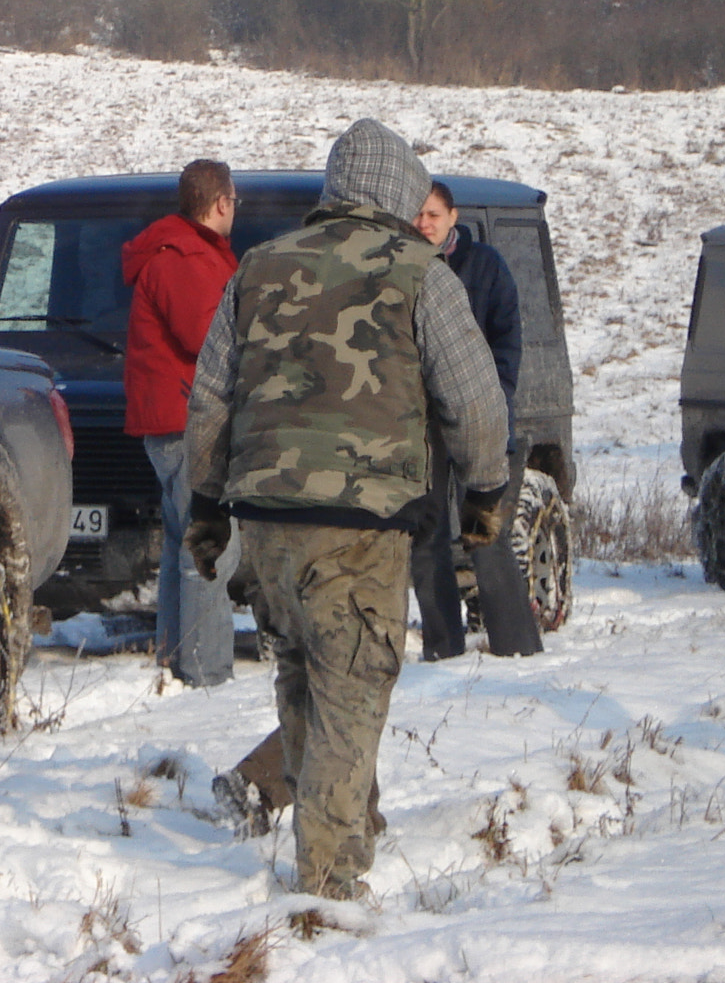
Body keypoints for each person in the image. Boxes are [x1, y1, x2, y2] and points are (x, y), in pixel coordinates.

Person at [182, 120, 509, 899]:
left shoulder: (256, 267)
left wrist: (205, 509)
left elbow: (210, 402)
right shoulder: (420, 272)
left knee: (301, 681)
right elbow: (473, 399)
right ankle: (327, 882)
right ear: (399, 193)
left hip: (265, 523)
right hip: (357, 527)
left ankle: (344, 824)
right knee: (352, 689)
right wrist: (487, 490)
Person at [411, 181, 541, 661]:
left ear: (453, 217)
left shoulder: (484, 266)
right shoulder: (404, 269)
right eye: (417, 216)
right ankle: (443, 646)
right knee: (426, 534)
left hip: (478, 415)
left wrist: (497, 398)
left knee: (483, 527)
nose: (424, 223)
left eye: (432, 214)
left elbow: (508, 340)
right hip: (422, 423)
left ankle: (517, 644)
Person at [122, 159, 239, 686]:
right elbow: (206, 336)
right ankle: (204, 670)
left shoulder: (184, 251)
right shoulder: (184, 257)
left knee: (181, 537)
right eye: (234, 201)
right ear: (220, 203)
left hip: (174, 415)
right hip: (189, 416)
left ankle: (174, 661)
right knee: (210, 542)